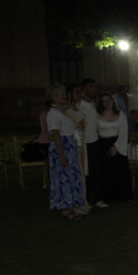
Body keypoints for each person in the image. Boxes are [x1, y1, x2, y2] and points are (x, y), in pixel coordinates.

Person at [45, 84, 86, 220]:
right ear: (54, 97)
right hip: (62, 147)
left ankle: (71, 205)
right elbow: (56, 134)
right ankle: (66, 209)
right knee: (64, 178)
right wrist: (61, 154)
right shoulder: (53, 113)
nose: (64, 97)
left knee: (71, 177)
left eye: (64, 94)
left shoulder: (62, 112)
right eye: (61, 95)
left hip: (69, 147)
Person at [95, 92, 134, 204]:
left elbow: (123, 131)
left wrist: (116, 146)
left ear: (112, 101)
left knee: (120, 171)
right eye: (104, 101)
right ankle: (108, 196)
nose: (107, 102)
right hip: (102, 144)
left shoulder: (120, 114)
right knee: (106, 171)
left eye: (109, 100)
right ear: (101, 103)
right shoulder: (97, 115)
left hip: (118, 142)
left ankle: (124, 196)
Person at [64, 84, 90, 215]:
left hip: (81, 143)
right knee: (75, 174)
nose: (80, 94)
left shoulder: (79, 108)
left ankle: (82, 201)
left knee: (81, 174)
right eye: (77, 92)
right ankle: (75, 204)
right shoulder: (66, 111)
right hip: (73, 144)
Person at [79, 78, 102, 207]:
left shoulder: (92, 104)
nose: (94, 90)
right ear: (83, 89)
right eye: (90, 87)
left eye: (94, 87)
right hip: (85, 142)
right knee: (87, 172)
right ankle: (87, 199)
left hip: (95, 140)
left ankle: (96, 199)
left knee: (96, 171)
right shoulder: (80, 105)